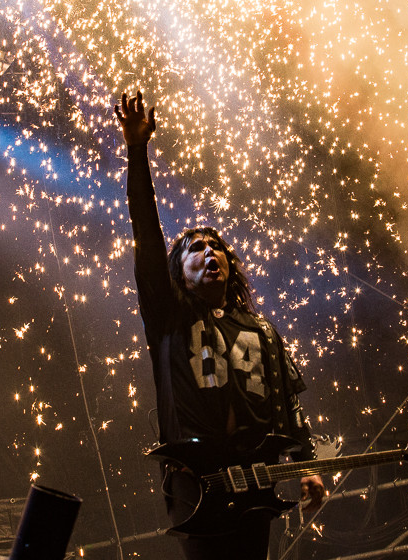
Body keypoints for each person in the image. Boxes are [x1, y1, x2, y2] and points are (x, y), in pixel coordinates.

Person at [114, 91, 325, 560]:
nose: (210, 251)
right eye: (196, 248)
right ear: (177, 270)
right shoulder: (169, 318)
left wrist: (306, 465)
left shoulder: (262, 330)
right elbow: (146, 231)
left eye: (217, 246)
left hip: (256, 482)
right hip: (198, 482)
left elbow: (287, 404)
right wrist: (137, 149)